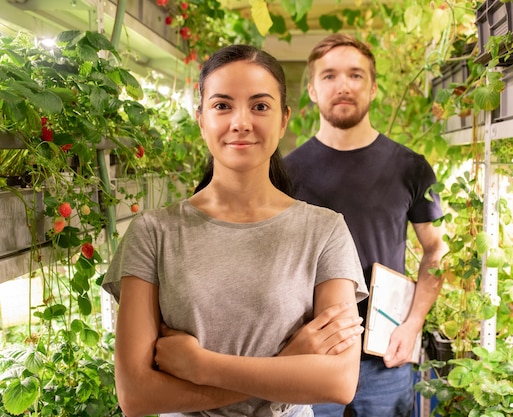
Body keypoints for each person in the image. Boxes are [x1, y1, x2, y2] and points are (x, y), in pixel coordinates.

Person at [102, 44, 369, 417]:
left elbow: (337, 382)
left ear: (284, 119)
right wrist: (290, 363)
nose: (241, 122)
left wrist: (201, 367)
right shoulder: (153, 233)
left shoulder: (324, 231)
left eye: (260, 106)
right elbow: (135, 395)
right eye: (222, 105)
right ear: (201, 118)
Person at [283, 34, 448, 417]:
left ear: (373, 88)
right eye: (329, 76)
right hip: (312, 355)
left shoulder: (411, 167)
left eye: (355, 75)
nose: (343, 85)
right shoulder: (286, 173)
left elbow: (436, 250)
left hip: (385, 352)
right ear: (311, 89)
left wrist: (413, 325)